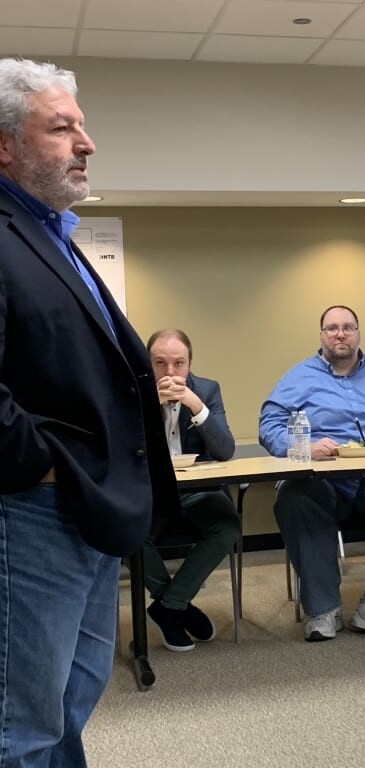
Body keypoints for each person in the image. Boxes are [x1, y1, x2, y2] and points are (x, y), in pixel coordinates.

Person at [0, 59, 177, 766]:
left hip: (84, 511)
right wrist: (46, 469)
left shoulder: (47, 232)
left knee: (67, 704)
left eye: (83, 125)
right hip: (32, 511)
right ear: (4, 144)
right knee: (23, 723)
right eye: (62, 126)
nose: (87, 142)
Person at [259, 305, 365, 642]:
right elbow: (269, 423)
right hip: (324, 480)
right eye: (332, 328)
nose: (341, 334)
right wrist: (302, 448)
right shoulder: (298, 376)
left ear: (358, 333)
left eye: (348, 327)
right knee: (293, 499)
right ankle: (324, 610)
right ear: (321, 335)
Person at [143, 329, 241, 652]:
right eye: (160, 363)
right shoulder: (135, 389)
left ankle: (168, 606)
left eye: (178, 363)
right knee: (126, 527)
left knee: (227, 524)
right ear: (149, 363)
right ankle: (175, 603)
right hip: (152, 494)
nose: (170, 373)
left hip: (198, 492)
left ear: (189, 364)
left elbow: (225, 449)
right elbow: (119, 447)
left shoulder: (207, 390)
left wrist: (196, 406)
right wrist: (146, 406)